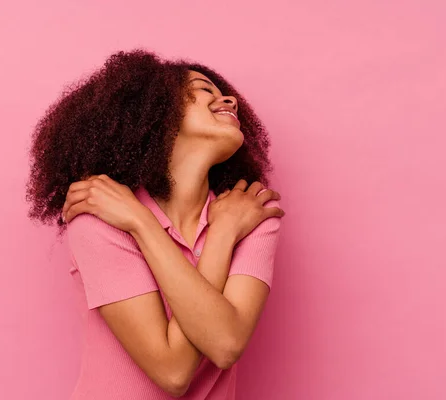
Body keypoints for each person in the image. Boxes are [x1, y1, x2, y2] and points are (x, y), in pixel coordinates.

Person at [26, 49, 285, 399]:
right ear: (157, 113)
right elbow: (173, 371)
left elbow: (226, 344)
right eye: (203, 89)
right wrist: (144, 222)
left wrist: (146, 223)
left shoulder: (252, 215)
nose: (228, 99)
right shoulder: (99, 220)